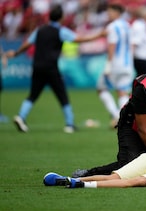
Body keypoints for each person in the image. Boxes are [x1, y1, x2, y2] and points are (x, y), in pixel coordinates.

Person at [6, 5, 103, 133]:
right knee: (62, 95)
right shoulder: (61, 31)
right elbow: (79, 39)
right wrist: (100, 35)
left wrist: (16, 53)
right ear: (61, 18)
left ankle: (21, 116)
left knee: (33, 94)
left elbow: (27, 43)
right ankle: (69, 124)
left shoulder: (39, 30)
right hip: (51, 67)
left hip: (37, 66)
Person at [94, 4, 134, 128]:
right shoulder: (127, 25)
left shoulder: (112, 27)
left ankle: (116, 115)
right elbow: (131, 45)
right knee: (122, 92)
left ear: (117, 12)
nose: (108, 14)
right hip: (127, 64)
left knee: (101, 89)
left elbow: (112, 45)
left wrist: (108, 64)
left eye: (110, 11)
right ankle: (125, 118)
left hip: (115, 64)